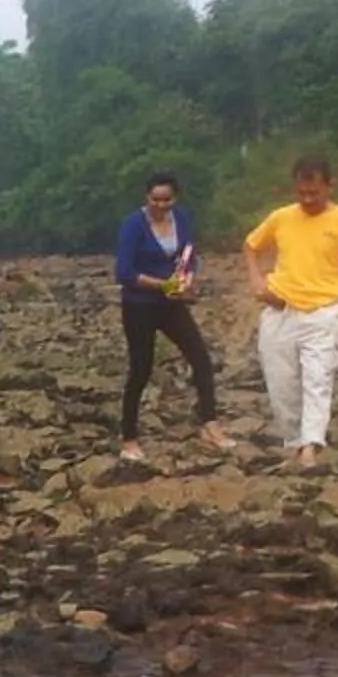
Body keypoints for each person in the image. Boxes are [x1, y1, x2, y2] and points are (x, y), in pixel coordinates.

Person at [240, 154, 338, 471]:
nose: (308, 199)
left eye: (314, 192)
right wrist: (257, 281)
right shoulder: (282, 217)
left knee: (318, 379)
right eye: (302, 192)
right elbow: (250, 245)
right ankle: (295, 444)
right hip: (280, 310)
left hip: (322, 312)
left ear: (330, 186)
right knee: (281, 384)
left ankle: (312, 446)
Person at [113, 171, 234, 462]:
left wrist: (188, 277)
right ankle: (129, 437)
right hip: (139, 304)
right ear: (146, 198)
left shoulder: (181, 218)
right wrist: (160, 284)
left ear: (175, 198)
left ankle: (210, 423)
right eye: (155, 199)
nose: (161, 205)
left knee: (201, 358)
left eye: (166, 200)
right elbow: (124, 272)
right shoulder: (133, 225)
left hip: (171, 304)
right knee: (141, 369)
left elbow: (189, 253)